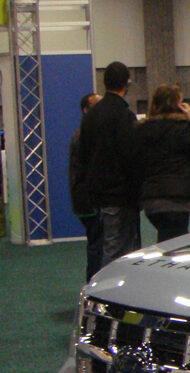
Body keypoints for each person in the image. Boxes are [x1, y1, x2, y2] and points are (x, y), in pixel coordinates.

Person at [133, 84, 190, 243]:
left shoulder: (142, 130)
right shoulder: (182, 129)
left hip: (152, 198)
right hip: (178, 198)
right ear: (179, 105)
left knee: (168, 239)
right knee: (175, 244)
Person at [78, 61, 140, 268]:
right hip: (120, 194)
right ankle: (108, 292)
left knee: (108, 244)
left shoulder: (91, 116)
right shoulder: (123, 115)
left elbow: (83, 153)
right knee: (118, 249)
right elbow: (130, 157)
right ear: (126, 83)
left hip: (97, 193)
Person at [69, 92, 103, 280]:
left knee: (97, 243)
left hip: (86, 197)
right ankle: (94, 285)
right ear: (86, 110)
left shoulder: (85, 132)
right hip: (88, 199)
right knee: (97, 244)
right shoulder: (85, 135)